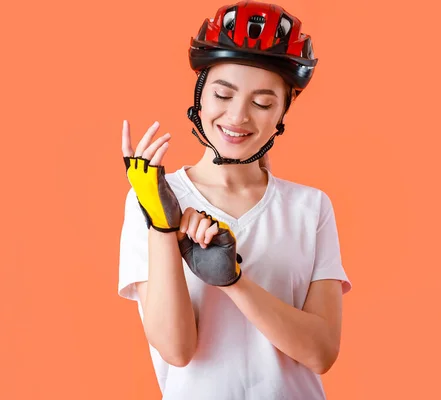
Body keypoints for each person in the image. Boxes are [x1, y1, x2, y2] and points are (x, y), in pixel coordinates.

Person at [118, 2, 352, 399]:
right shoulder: (154, 197)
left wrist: (235, 282)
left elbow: (321, 352)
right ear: (200, 95)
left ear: (283, 111)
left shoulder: (310, 208)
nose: (238, 116)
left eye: (262, 103)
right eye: (223, 95)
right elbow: (176, 350)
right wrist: (162, 226)